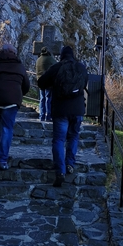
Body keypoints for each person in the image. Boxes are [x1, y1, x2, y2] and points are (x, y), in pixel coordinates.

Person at [37, 45, 88, 187]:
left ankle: (60, 170)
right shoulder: (81, 67)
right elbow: (85, 83)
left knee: (59, 139)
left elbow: (41, 83)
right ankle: (70, 163)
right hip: (77, 109)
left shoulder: (57, 67)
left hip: (60, 110)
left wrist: (54, 84)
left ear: (61, 55)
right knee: (73, 136)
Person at [36, 46, 56, 121]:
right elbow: (56, 66)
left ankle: (41, 115)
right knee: (48, 98)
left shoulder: (38, 60)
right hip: (48, 82)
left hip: (40, 82)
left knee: (42, 99)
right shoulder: (50, 59)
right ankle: (48, 115)